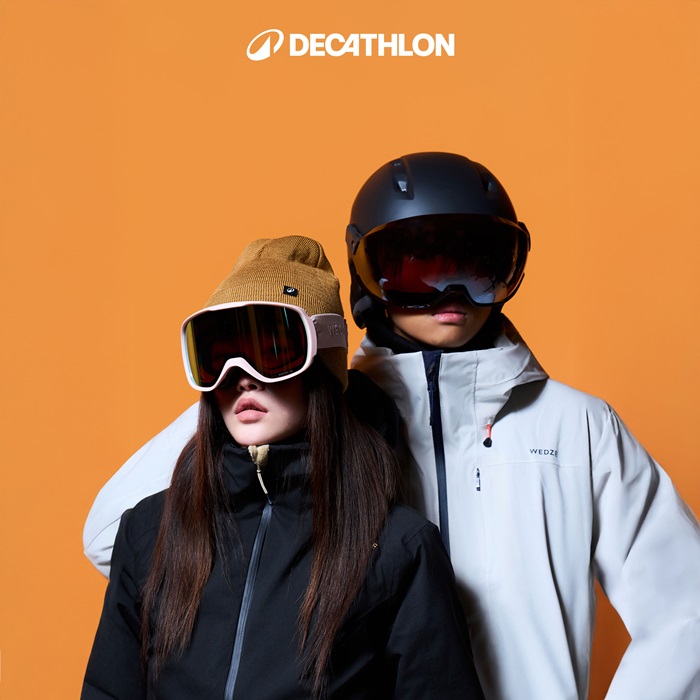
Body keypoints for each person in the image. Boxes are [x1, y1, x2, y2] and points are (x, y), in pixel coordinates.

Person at [84, 154, 700, 700]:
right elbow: (116, 536)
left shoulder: (577, 428)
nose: (449, 291)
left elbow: (686, 608)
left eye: (477, 264)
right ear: (368, 275)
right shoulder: (328, 416)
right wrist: (260, 365)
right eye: (417, 267)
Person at [81, 235, 483, 699]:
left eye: (271, 348)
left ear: (322, 367)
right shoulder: (149, 530)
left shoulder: (398, 547)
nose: (243, 378)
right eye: (219, 354)